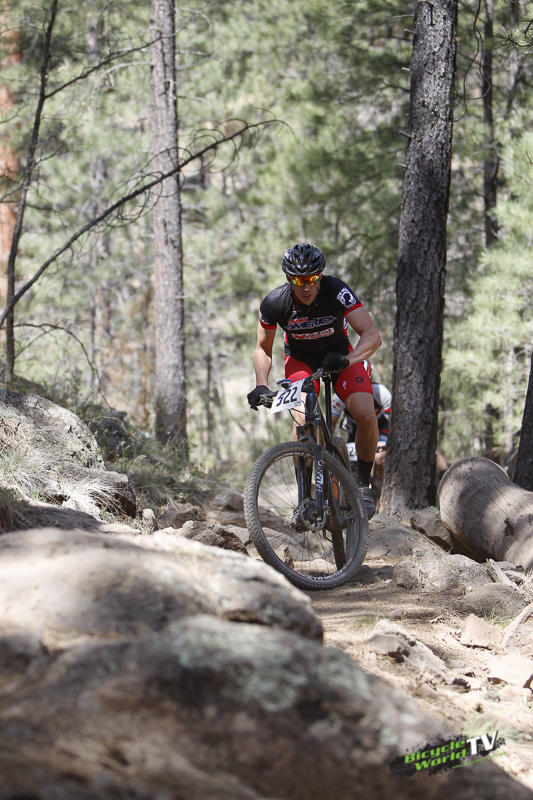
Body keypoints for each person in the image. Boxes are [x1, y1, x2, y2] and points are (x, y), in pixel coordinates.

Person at [247, 242, 382, 519]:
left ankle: (364, 486)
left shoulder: (336, 291)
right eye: (299, 280)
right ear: (288, 279)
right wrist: (262, 383)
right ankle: (304, 499)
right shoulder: (275, 303)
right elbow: (262, 348)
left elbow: (371, 334)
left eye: (312, 279)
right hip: (301, 361)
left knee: (365, 413)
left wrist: (349, 359)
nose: (306, 286)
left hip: (340, 356)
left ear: (320, 276)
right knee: (301, 421)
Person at [331, 360, 391, 488]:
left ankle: (383, 492)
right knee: (340, 463)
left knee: (379, 459)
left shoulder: (382, 393)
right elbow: (331, 425)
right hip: (353, 434)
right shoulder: (339, 397)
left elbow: (391, 423)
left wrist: (386, 442)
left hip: (380, 433)